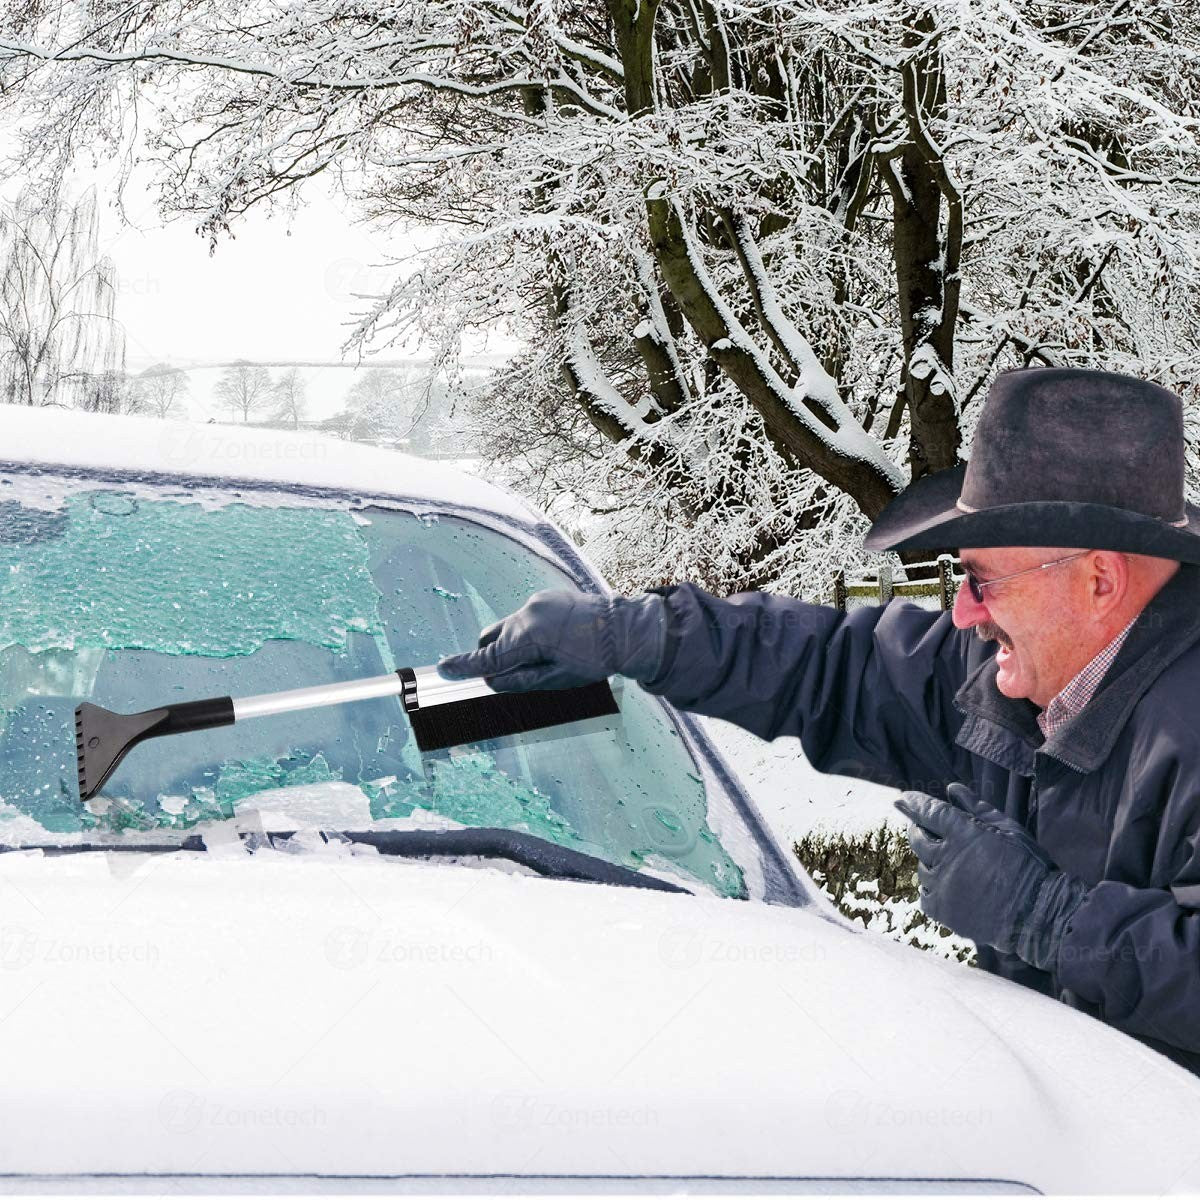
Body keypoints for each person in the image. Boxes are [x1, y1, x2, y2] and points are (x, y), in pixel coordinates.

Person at [437, 366, 1200, 1075]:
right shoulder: (1008, 671)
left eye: (982, 580)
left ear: (1100, 581)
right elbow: (829, 666)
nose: (964, 613)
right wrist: (635, 636)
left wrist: (1049, 919)